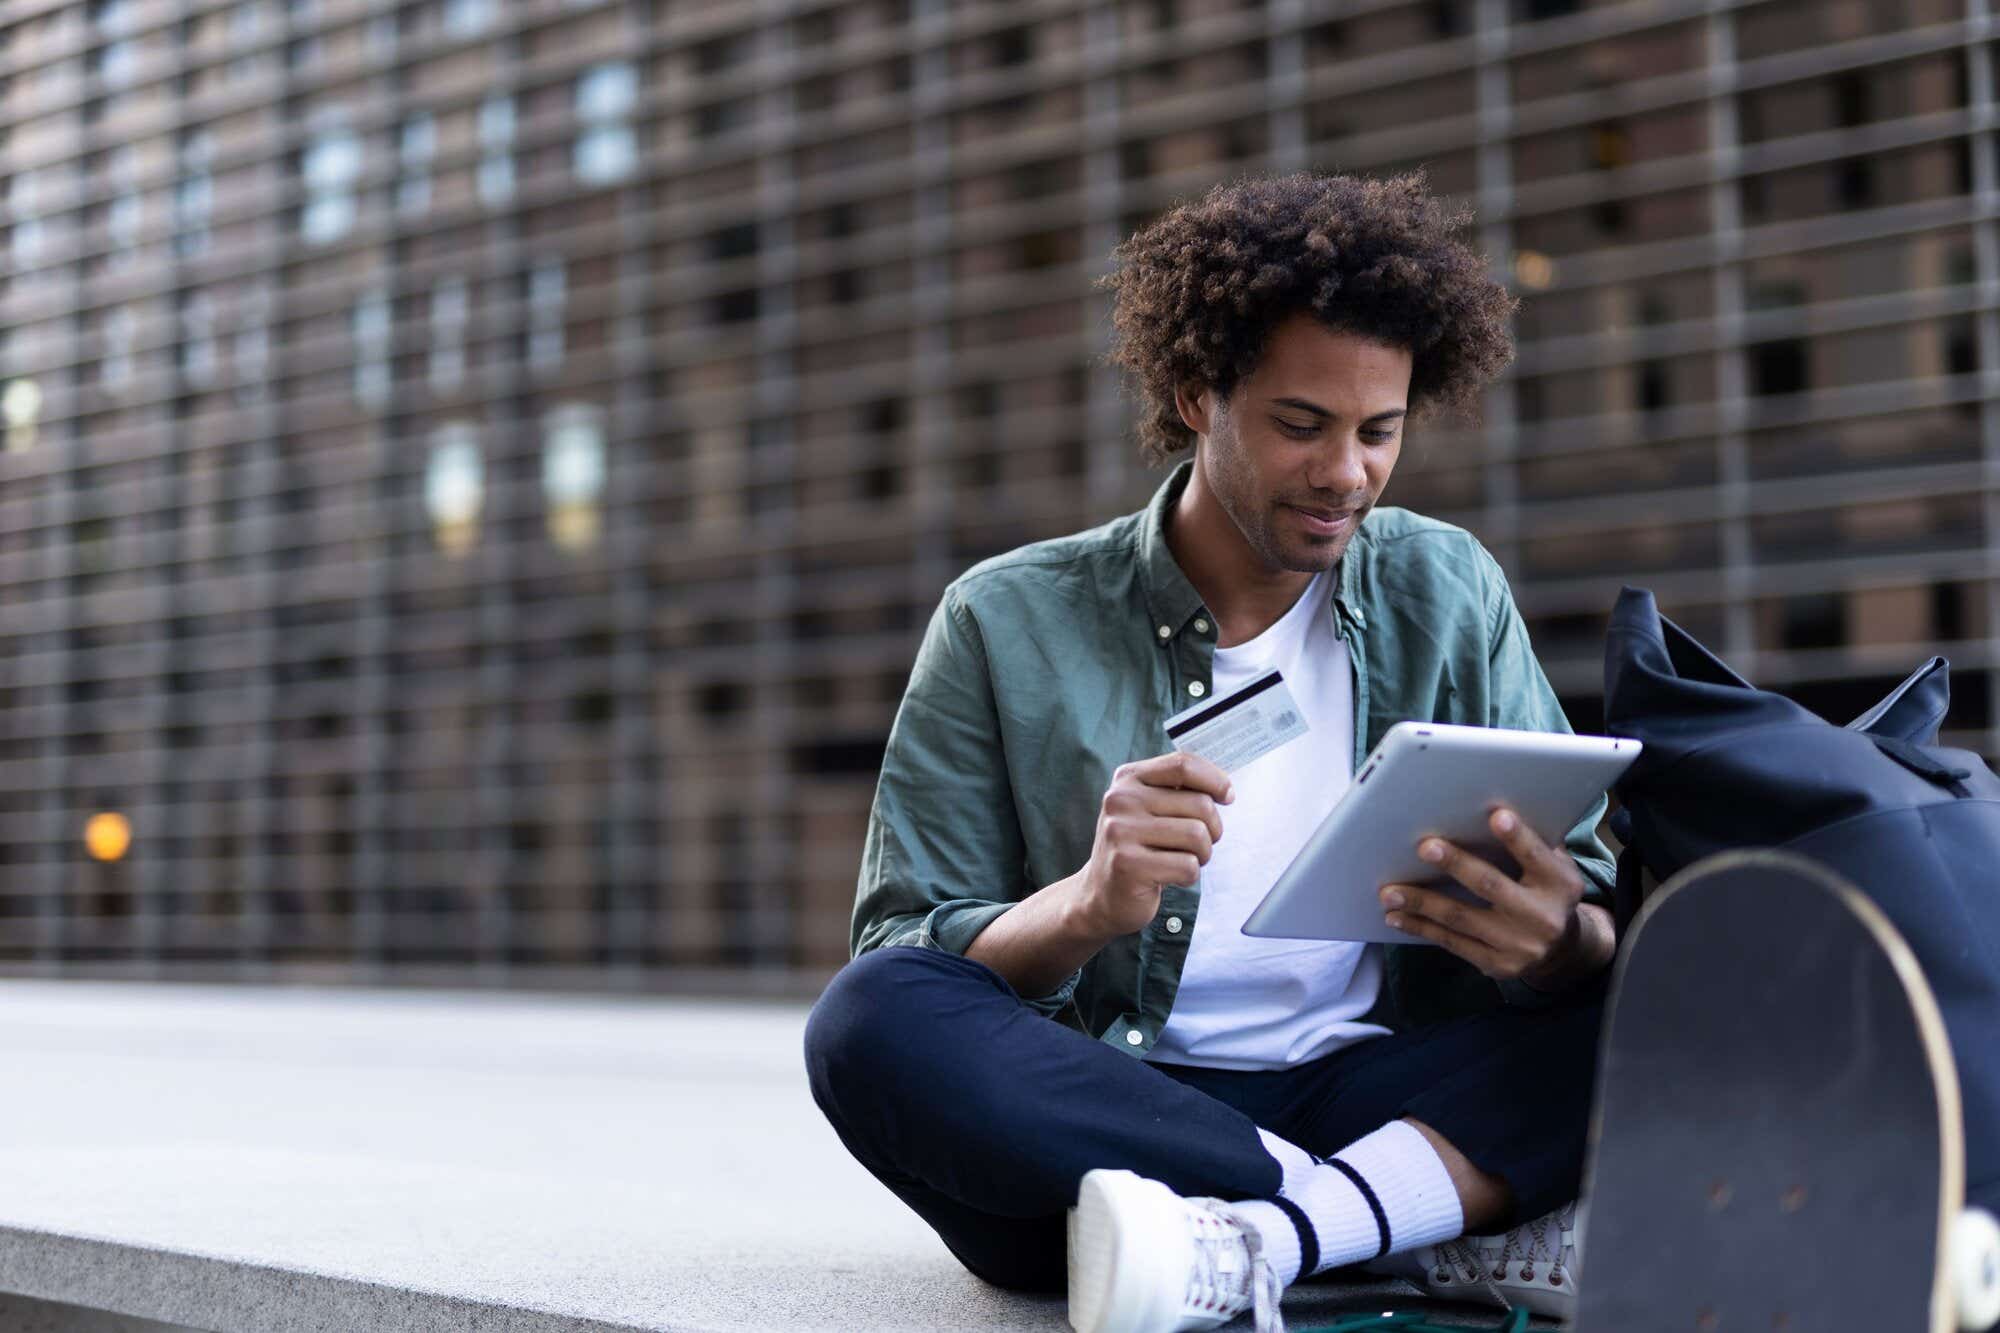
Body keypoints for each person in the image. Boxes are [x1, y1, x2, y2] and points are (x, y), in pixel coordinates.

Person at [804, 171, 1620, 1333]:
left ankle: (1264, 1242)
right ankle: (1371, 1218)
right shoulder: (1004, 619)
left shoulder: (1443, 588)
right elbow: (902, 941)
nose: (1345, 472)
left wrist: (1559, 944)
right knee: (870, 1020)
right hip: (1101, 1117)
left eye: (1376, 431)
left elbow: (1583, 897)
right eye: (1301, 425)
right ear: (1196, 394)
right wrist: (1085, 906)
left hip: (1369, 1085)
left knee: (1661, 1000)